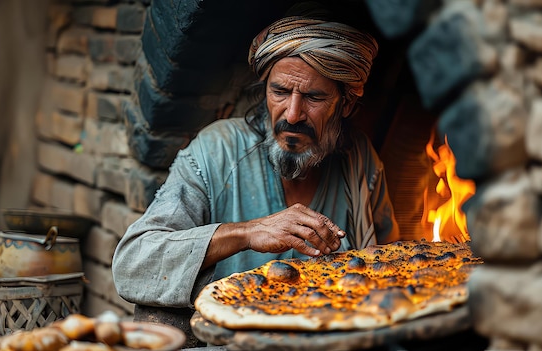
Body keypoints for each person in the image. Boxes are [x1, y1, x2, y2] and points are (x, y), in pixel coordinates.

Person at [112, 8, 400, 312]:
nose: (292, 114)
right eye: (279, 91)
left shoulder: (360, 160)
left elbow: (393, 266)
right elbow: (133, 264)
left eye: (314, 97)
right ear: (264, 90)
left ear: (346, 105)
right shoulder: (217, 151)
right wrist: (248, 233)